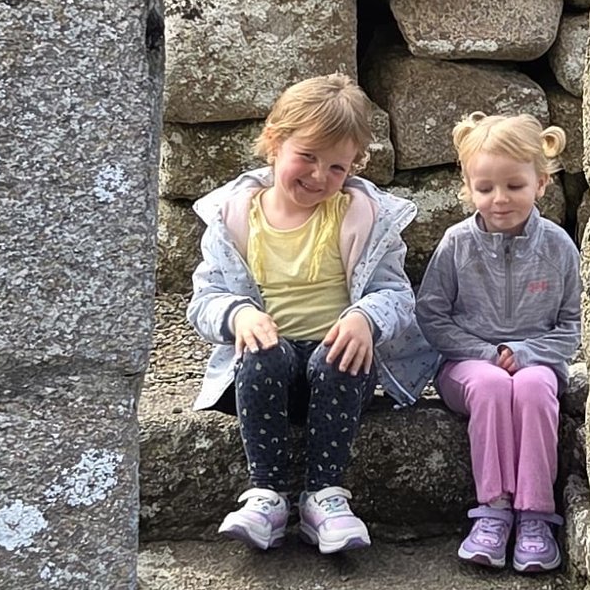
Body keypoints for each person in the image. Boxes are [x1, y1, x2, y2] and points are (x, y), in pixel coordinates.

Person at [186, 72, 438, 558]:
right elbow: (204, 299)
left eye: (337, 167)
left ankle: (325, 496)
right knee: (263, 355)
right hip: (265, 374)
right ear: (274, 143)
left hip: (338, 371)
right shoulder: (234, 218)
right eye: (307, 157)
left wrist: (366, 317)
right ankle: (268, 495)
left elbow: (397, 294)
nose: (320, 176)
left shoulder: (360, 217)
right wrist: (238, 315)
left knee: (336, 359)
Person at [415, 109, 582, 573]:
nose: (500, 199)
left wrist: (526, 354)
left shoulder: (557, 248)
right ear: (468, 187)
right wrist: (487, 354)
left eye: (514, 186)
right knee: (491, 385)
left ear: (541, 183)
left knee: (530, 387)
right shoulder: (456, 244)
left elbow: (572, 325)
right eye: (485, 188)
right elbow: (431, 314)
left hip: (537, 365)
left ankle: (533, 515)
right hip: (467, 368)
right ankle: (493, 509)